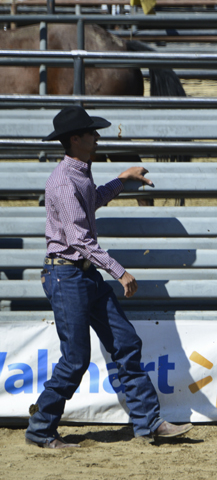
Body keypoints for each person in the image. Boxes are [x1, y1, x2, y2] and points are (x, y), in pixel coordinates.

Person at [27, 107, 194, 449]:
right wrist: (119, 271)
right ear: (76, 139)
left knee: (125, 343)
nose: (97, 137)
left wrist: (122, 179)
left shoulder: (78, 175)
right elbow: (80, 240)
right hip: (67, 275)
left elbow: (92, 201)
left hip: (78, 275)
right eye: (91, 133)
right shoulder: (63, 181)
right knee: (76, 359)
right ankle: (40, 428)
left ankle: (148, 422)